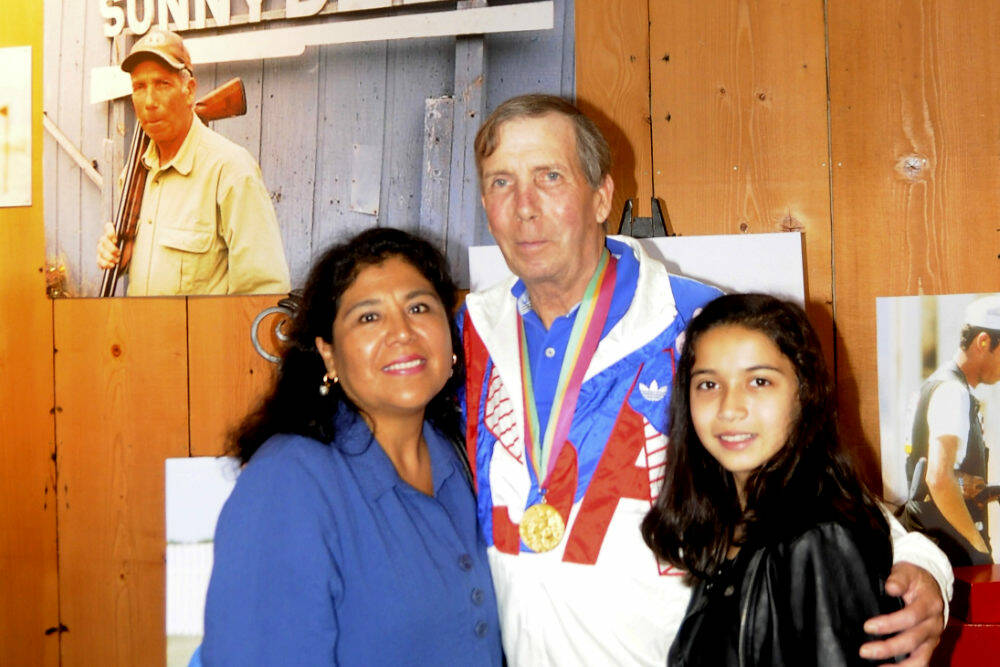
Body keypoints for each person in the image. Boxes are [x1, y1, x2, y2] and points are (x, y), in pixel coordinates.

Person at [460, 93, 952, 666]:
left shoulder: (697, 326)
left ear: (601, 197)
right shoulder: (464, 335)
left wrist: (925, 567)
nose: (524, 207)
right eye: (500, 182)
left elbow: (814, 479)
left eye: (549, 176)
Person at [198, 228, 501, 665]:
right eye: (369, 317)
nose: (402, 333)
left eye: (419, 307)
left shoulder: (464, 459)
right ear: (329, 355)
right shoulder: (288, 483)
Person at [642, 293, 904, 665]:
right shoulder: (727, 527)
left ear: (805, 394)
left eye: (759, 382)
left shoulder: (818, 540)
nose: (730, 408)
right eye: (708, 385)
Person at [96, 29, 290, 296]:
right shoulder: (135, 172)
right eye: (139, 87)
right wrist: (122, 256)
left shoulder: (231, 170)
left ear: (189, 91)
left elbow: (262, 295)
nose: (149, 102)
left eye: (163, 84)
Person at [902, 294, 1000, 566]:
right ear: (984, 341)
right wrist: (978, 548)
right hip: (947, 554)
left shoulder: (939, 384)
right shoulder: (952, 393)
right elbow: (937, 478)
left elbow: (932, 474)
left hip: (933, 548)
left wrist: (985, 490)